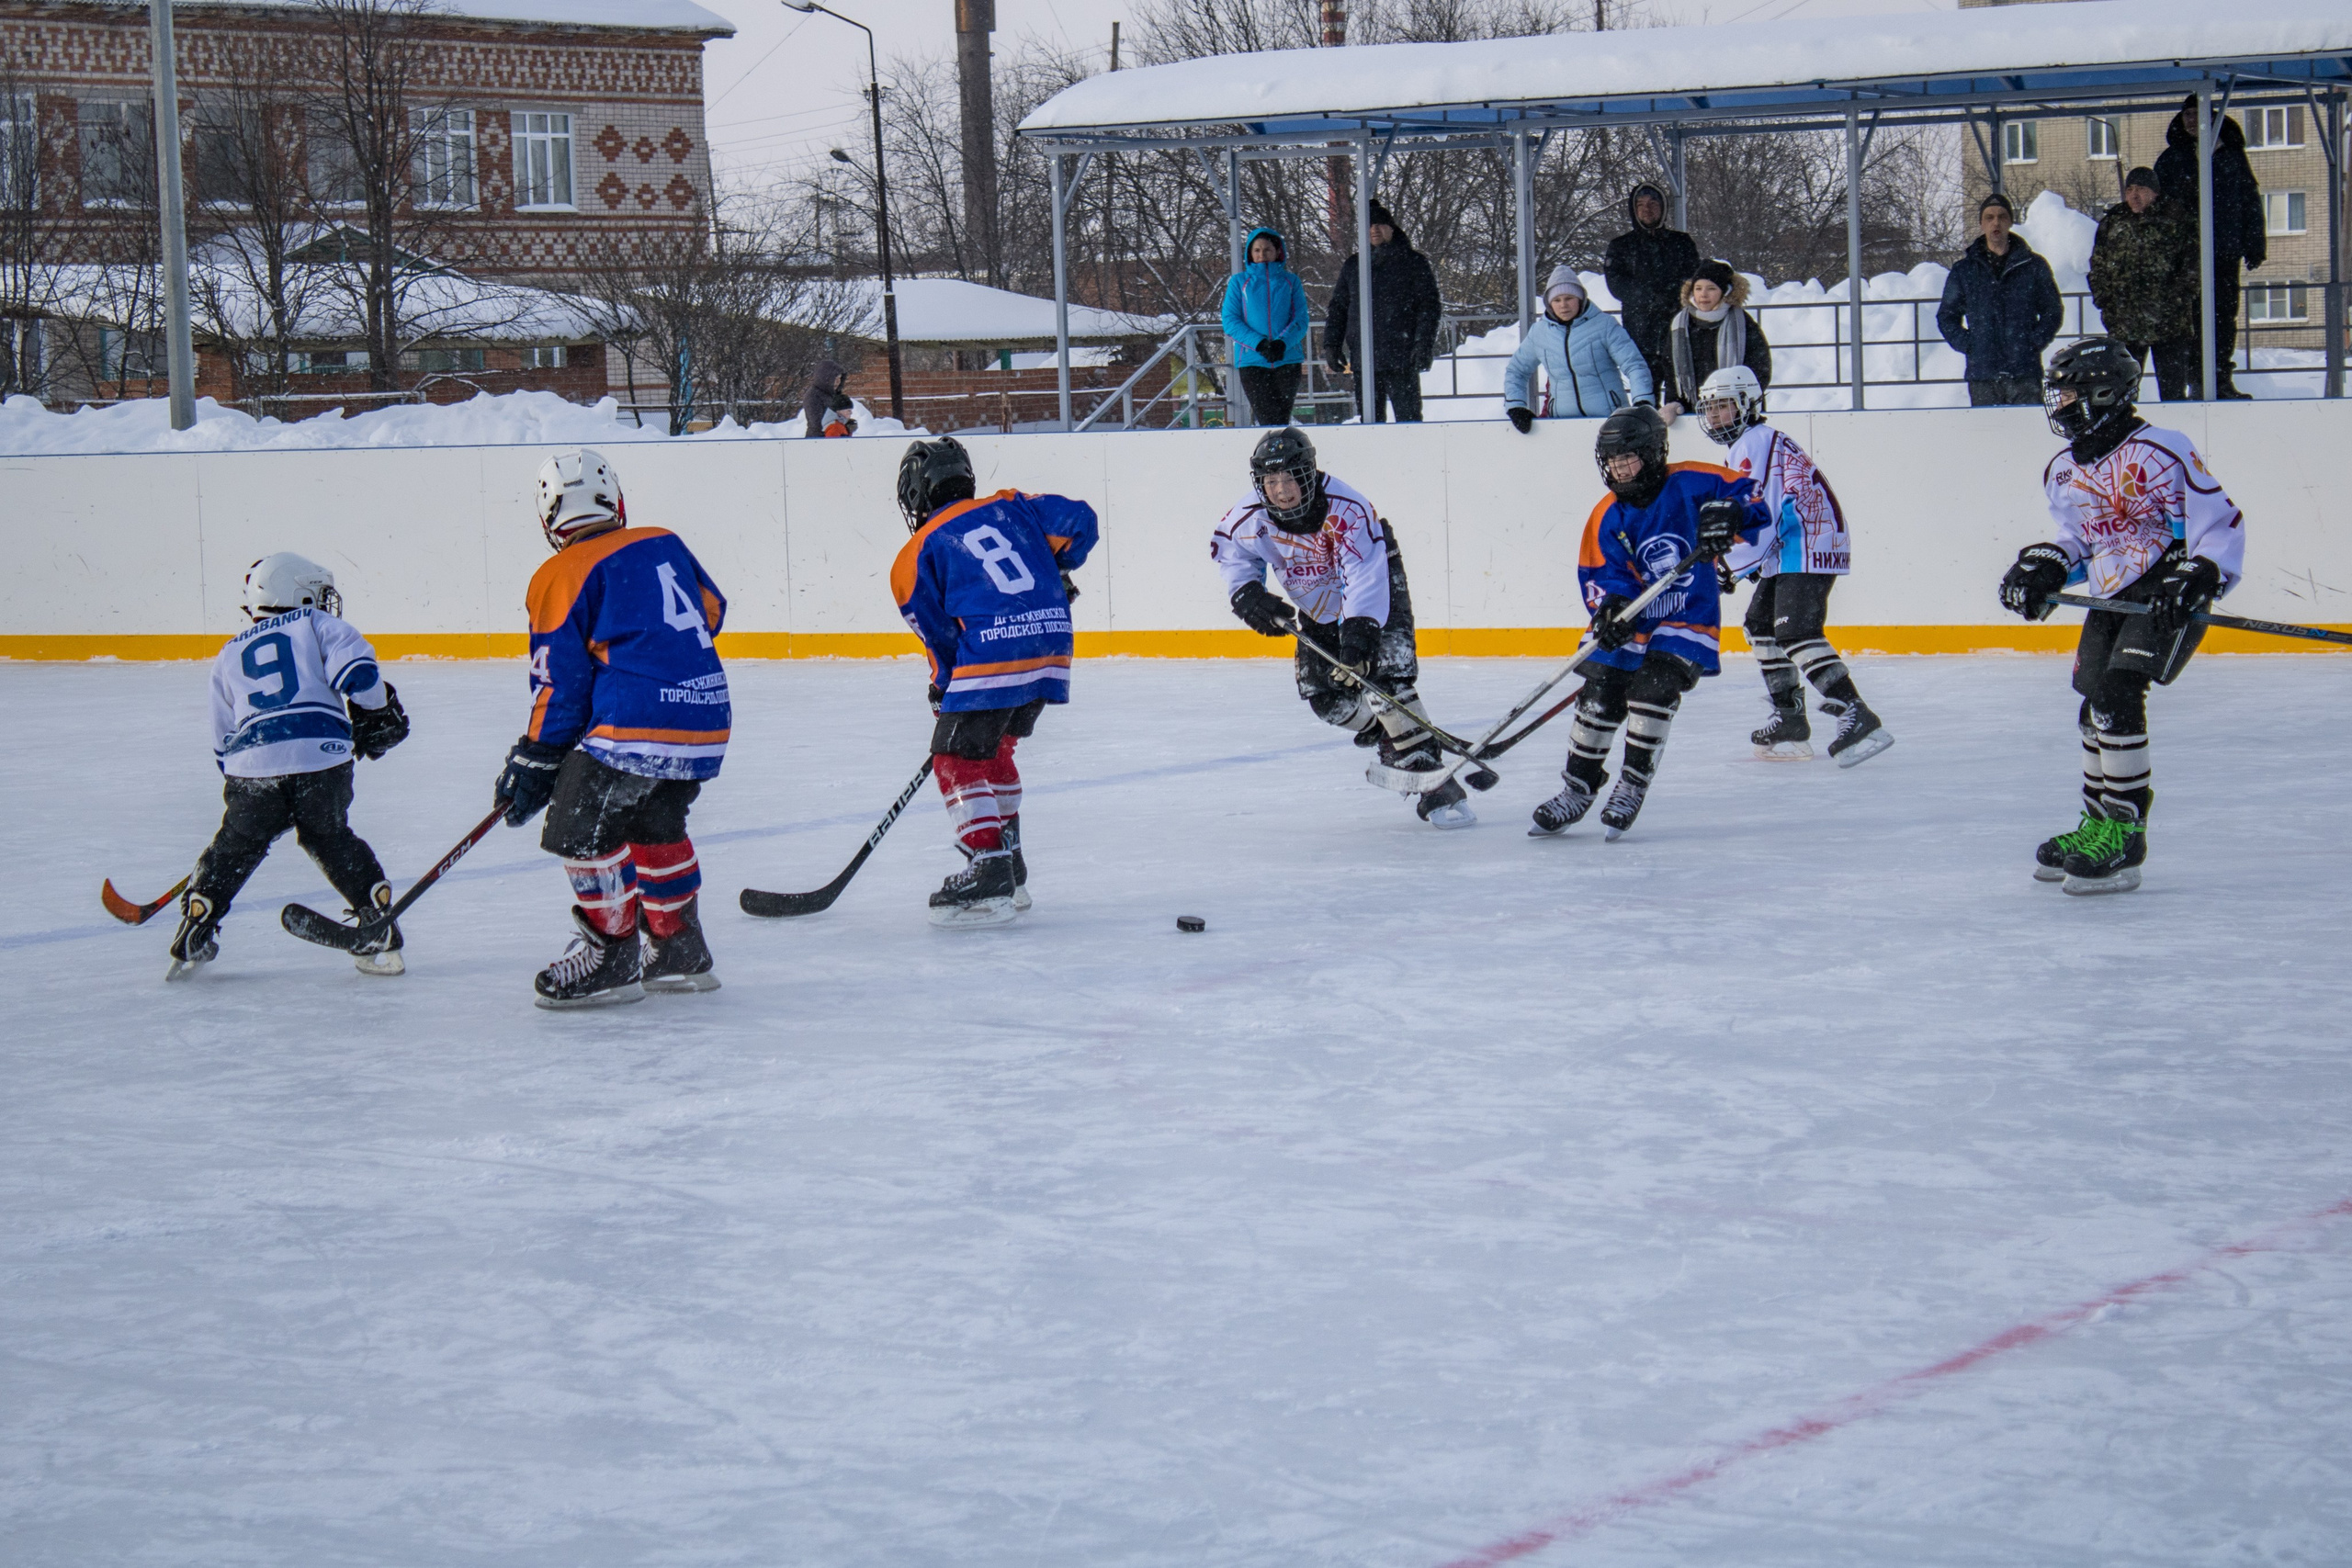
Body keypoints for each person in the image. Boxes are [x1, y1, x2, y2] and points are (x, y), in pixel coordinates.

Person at [1996, 337, 2245, 895]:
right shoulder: (2063, 469)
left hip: (2167, 592)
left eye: (2066, 393)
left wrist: (2201, 571)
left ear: (2104, 392)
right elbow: (2082, 541)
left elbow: (2220, 518)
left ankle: (2127, 835)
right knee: (2093, 708)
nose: (2057, 404)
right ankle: (2098, 825)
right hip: (2114, 595)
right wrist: (2049, 566)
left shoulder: (2162, 448)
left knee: (2116, 697)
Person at [493, 449, 729, 1008]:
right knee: (654, 824)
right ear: (616, 502)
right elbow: (712, 611)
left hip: (634, 723)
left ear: (549, 519)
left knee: (580, 826)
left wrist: (537, 755)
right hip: (705, 714)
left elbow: (560, 683)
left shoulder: (557, 574)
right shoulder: (663, 539)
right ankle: (678, 950)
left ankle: (612, 954)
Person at [1212, 426, 1474, 829]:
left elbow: (1364, 575)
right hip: (1317, 606)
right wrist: (1246, 593)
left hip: (1374, 585)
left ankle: (1433, 781)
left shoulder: (1347, 508)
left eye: (1289, 479)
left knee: (1386, 675)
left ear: (1309, 475)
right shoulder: (1249, 516)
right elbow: (1231, 552)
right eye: (1271, 481)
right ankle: (1395, 735)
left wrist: (1359, 636)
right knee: (1327, 699)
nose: (1281, 491)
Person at [167, 554, 411, 981]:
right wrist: (375, 714)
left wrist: (253, 788)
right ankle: (376, 916)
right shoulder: (316, 625)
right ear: (297, 591)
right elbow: (360, 674)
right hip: (321, 758)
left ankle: (197, 919)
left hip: (252, 765)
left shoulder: (229, 652)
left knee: (237, 843)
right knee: (329, 836)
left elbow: (222, 737)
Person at [1530, 405, 1765, 840]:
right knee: (1599, 694)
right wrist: (1610, 610)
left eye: (1628, 458)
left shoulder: (1693, 481)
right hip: (1634, 618)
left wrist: (1728, 515)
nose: (1619, 469)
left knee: (1652, 690)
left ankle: (1632, 784)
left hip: (1687, 616)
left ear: (1656, 453)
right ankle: (1578, 787)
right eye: (1612, 461)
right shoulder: (1607, 514)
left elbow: (1751, 496)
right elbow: (1602, 574)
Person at [894, 437, 1099, 926]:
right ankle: (1011, 861)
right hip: (1051, 646)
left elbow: (939, 635)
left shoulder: (915, 553)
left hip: (993, 654)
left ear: (916, 496)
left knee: (954, 760)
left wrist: (944, 686)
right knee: (995, 751)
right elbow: (1080, 521)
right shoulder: (1011, 505)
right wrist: (1055, 565)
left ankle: (988, 867)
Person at [1701, 366, 1892, 766]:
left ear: (1748, 405)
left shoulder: (1754, 440)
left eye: (1724, 406)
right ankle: (1789, 717)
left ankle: (1857, 712)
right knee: (1761, 625)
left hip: (1804, 542)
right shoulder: (1751, 441)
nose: (1716, 415)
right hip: (1793, 544)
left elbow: (1762, 510)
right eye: (1711, 408)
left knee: (1796, 629)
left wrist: (1728, 564)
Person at [2154, 96, 2266, 400]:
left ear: (2212, 118)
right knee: (2191, 320)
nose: (2192, 120)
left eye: (2198, 114)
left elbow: (2249, 200)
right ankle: (2197, 379)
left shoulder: (2231, 156)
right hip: (2185, 257)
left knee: (2222, 316)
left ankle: (2219, 378)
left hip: (2223, 251)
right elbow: (2157, 209)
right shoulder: (2172, 159)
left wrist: (2254, 244)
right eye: (2187, 114)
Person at [1937, 192, 2064, 406]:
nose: (1996, 222)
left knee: (2026, 433)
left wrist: (2033, 342)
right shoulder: (1965, 270)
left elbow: (2052, 311)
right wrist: (1971, 345)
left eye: (2002, 216)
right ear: (1981, 224)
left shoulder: (2033, 266)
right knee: (1988, 435)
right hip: (1983, 375)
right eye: (1989, 217)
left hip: (2024, 372)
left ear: (2010, 222)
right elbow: (1947, 316)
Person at [1325, 200, 1442, 424]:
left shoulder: (1413, 262)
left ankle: (1412, 459)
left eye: (1379, 224)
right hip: (1364, 358)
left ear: (1391, 228)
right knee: (1369, 423)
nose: (1374, 230)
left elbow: (1429, 306)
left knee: (1409, 421)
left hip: (1402, 356)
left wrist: (1423, 344)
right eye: (1369, 226)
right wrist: (1332, 344)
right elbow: (1339, 307)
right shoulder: (1354, 265)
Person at [2087, 167, 2199, 402]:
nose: (2134, 195)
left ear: (2155, 193)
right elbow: (2098, 267)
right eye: (2130, 190)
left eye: (2141, 189)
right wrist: (2106, 303)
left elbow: (2193, 268)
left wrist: (2172, 303)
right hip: (2125, 326)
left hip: (2170, 327)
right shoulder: (2113, 223)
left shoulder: (2177, 221)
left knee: (2174, 397)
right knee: (2121, 398)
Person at [1502, 265, 1653, 428]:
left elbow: (1634, 365)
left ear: (1580, 299)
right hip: (1561, 423)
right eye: (1557, 300)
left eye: (1569, 298)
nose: (1563, 305)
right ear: (1549, 303)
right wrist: (1516, 406)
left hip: (1610, 420)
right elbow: (1516, 371)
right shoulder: (1539, 333)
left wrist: (1642, 402)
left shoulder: (1605, 325)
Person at [1603, 182, 1702, 390]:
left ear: (1663, 207)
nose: (1646, 209)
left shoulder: (1681, 242)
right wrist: (1649, 296)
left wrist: (1668, 296)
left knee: (1681, 394)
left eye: (1652, 203)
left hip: (1678, 330)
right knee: (1645, 397)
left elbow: (1693, 278)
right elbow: (1617, 285)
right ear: (1633, 209)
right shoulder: (1621, 246)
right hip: (1641, 335)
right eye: (1640, 204)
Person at [1655, 260, 1772, 422]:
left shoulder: (1742, 324)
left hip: (1738, 412)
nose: (1703, 294)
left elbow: (1760, 368)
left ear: (1725, 292)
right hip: (1691, 413)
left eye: (1711, 289)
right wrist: (1674, 402)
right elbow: (1670, 370)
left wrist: (1734, 402)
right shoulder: (1679, 326)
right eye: (1698, 288)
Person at [1221, 225, 1311, 427]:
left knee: (1281, 417)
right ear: (1250, 253)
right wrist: (1259, 344)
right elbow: (1230, 320)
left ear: (1278, 251)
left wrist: (1282, 343)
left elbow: (1300, 319)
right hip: (1253, 361)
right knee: (1267, 417)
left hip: (1286, 359)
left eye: (1267, 249)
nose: (1262, 254)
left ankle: (1283, 455)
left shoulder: (1290, 281)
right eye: (1257, 250)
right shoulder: (1239, 282)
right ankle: (1270, 455)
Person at [802, 358, 850, 438]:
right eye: (835, 378)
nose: (837, 382)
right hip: (818, 440)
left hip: (832, 437)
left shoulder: (829, 394)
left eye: (839, 379)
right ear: (827, 378)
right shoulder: (813, 396)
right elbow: (817, 424)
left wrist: (845, 425)